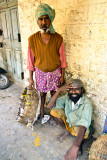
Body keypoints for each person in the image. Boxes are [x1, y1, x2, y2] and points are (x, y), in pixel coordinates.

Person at [27, 3, 67, 121]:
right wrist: (30, 78)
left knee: (54, 93)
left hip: (55, 72)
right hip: (40, 72)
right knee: (42, 94)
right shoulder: (32, 39)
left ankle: (53, 113)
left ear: (50, 20)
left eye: (46, 18)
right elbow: (30, 61)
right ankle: (41, 111)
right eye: (41, 19)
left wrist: (62, 76)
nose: (43, 22)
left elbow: (63, 59)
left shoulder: (58, 38)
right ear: (37, 21)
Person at [47, 79, 92, 160]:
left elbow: (84, 124)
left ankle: (80, 143)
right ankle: (67, 131)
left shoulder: (87, 103)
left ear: (82, 90)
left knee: (83, 130)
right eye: (71, 89)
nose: (73, 91)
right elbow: (49, 106)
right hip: (70, 122)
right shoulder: (67, 97)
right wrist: (59, 90)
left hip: (79, 127)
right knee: (54, 112)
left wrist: (75, 146)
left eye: (77, 89)